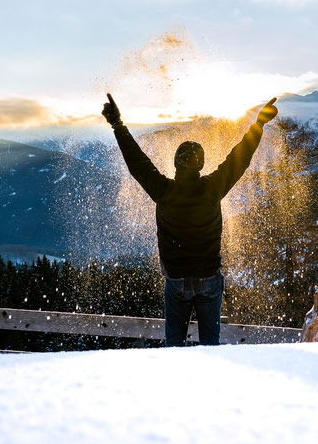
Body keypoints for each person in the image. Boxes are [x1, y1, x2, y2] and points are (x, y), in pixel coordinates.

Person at [101, 93, 278, 346]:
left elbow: (137, 162)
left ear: (176, 164)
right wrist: (258, 124)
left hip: (176, 280)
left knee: (173, 345)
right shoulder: (213, 188)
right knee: (210, 345)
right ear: (201, 164)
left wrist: (117, 125)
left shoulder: (164, 191)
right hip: (209, 279)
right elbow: (240, 157)